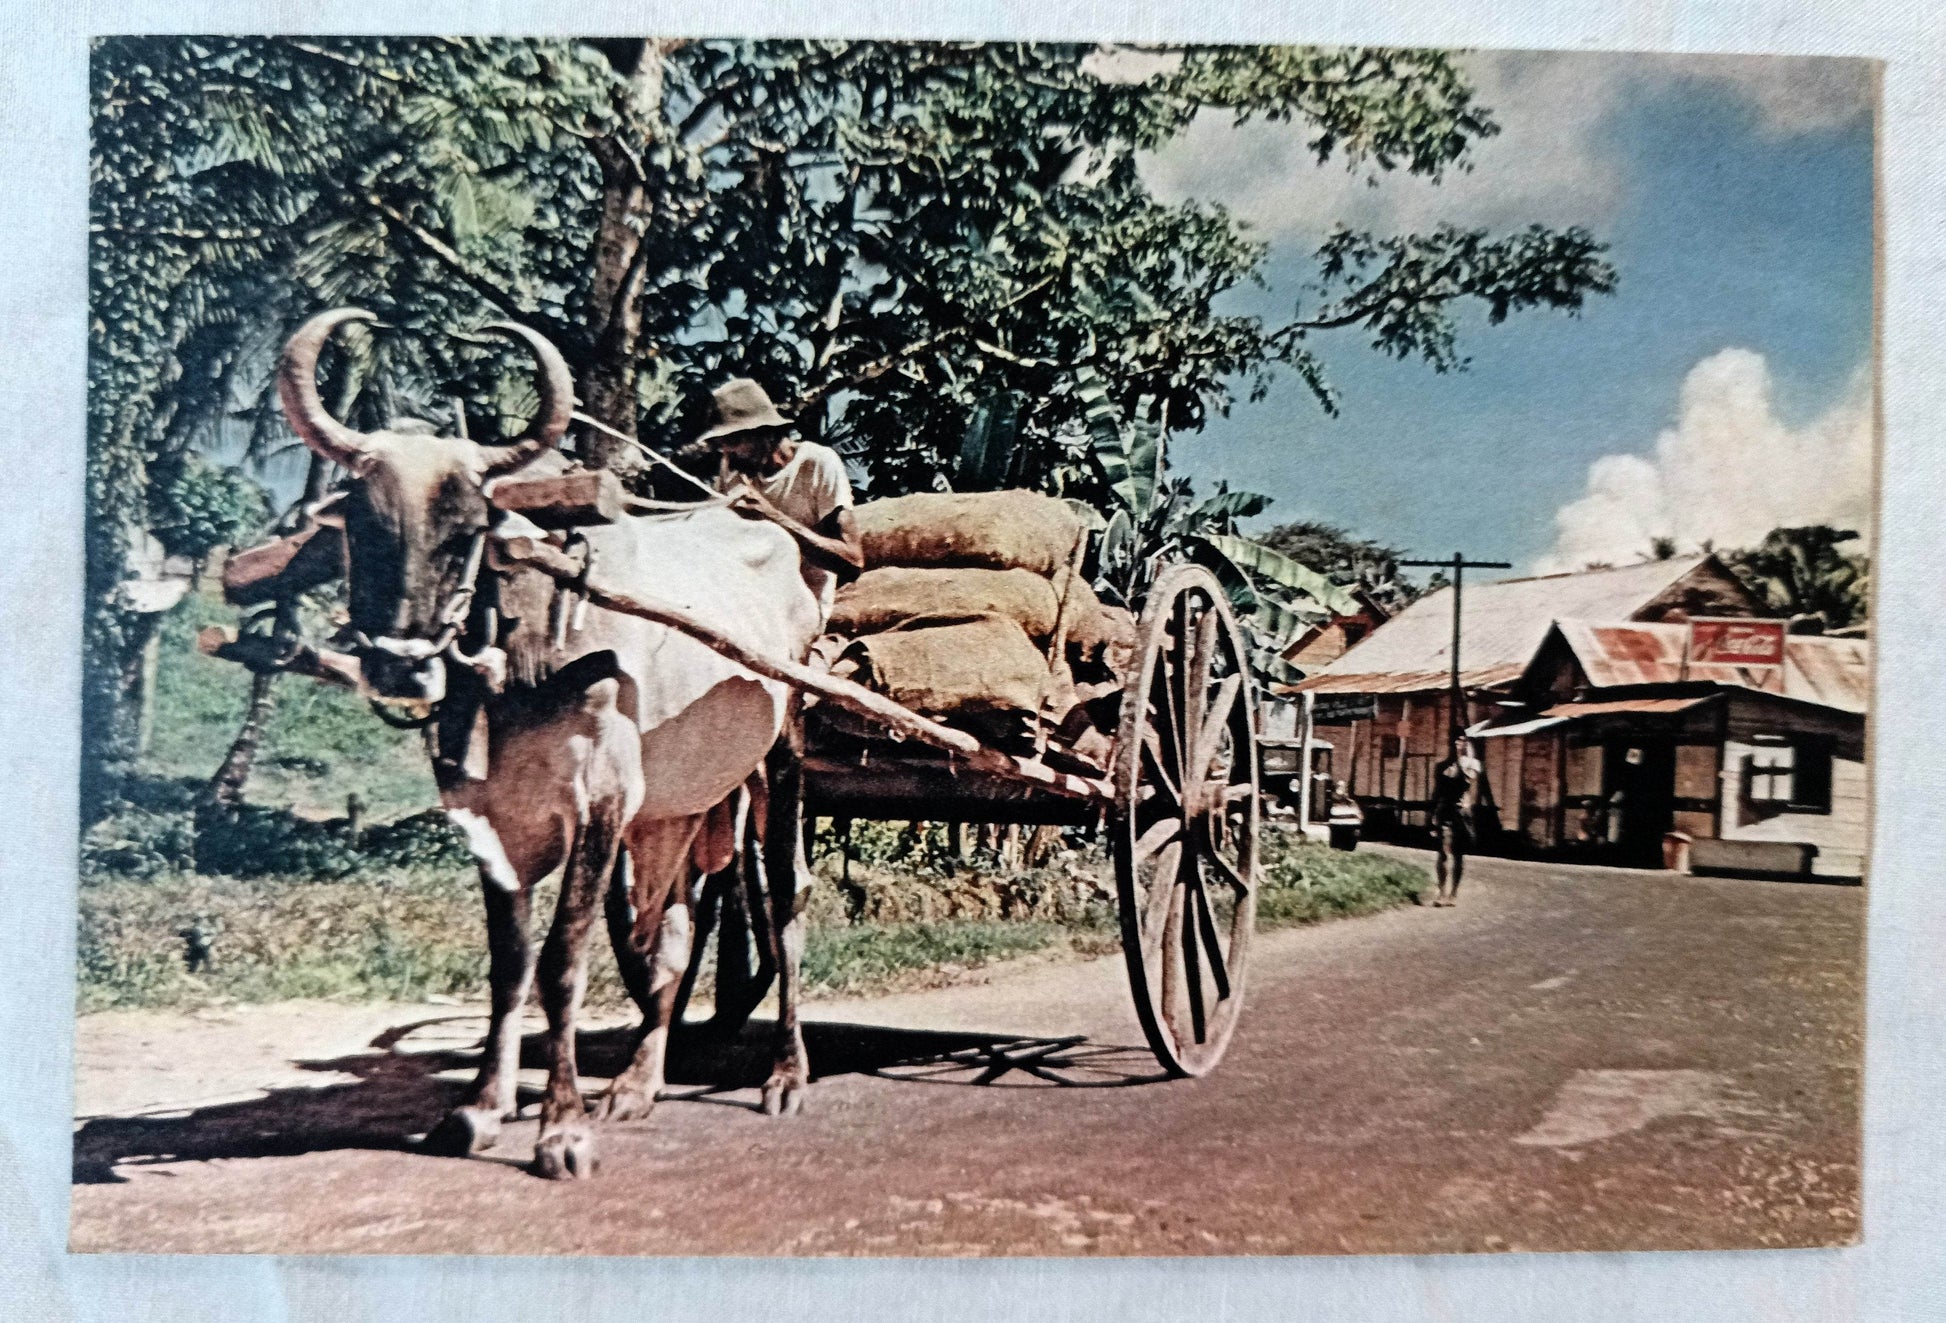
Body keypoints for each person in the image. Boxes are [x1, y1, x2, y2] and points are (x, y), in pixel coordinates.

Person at [699, 377, 863, 614]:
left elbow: (852, 561)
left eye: (733, 440)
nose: (726, 450)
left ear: (764, 432)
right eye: (719, 443)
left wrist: (772, 517)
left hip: (802, 608)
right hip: (750, 603)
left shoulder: (817, 463)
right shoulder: (732, 469)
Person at [1428, 734, 1484, 907]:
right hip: (1444, 811)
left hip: (1461, 813)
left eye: (1462, 741)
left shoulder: (1472, 765)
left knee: (1458, 854)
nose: (1458, 744)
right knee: (1442, 852)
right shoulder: (1441, 766)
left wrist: (1463, 759)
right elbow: (1436, 792)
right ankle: (1442, 892)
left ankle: (1453, 894)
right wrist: (1432, 814)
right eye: (1456, 740)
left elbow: (1470, 780)